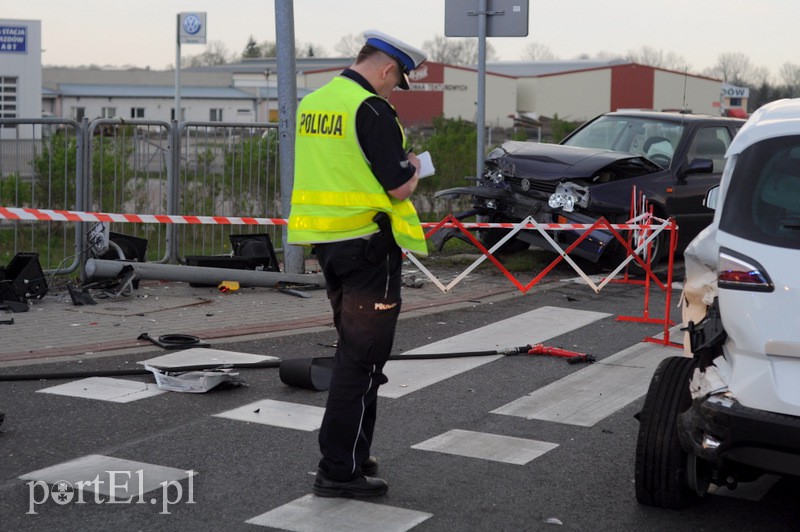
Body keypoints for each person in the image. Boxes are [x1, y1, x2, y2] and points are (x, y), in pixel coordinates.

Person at [287, 30, 428, 498]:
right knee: (362, 361)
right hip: (368, 247)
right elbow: (397, 186)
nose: (394, 90)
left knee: (355, 351)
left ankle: (354, 453)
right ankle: (338, 470)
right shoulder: (371, 108)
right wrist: (415, 167)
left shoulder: (316, 102)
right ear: (388, 68)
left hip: (328, 246)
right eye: (398, 80)